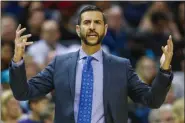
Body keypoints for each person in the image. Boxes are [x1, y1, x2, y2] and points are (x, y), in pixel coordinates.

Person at [10, 5, 173, 123]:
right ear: (78, 29)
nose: (92, 27)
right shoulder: (60, 64)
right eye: (87, 23)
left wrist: (164, 70)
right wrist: (17, 61)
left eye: (97, 23)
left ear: (105, 29)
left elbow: (152, 100)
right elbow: (23, 93)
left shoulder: (121, 66)